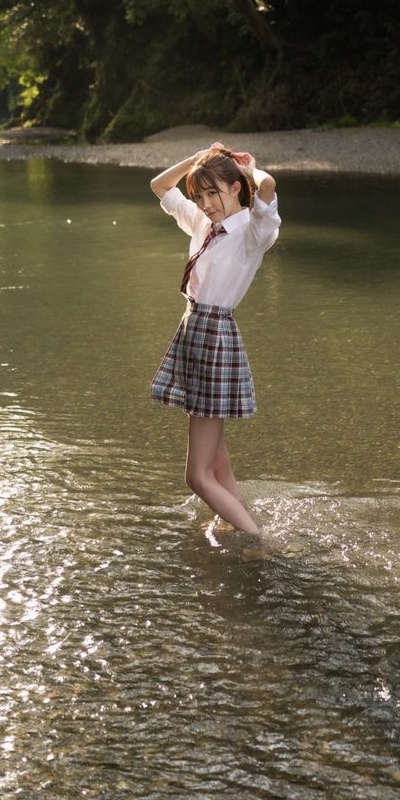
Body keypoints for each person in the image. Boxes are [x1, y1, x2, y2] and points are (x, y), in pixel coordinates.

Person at [150, 142, 280, 537]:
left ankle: (255, 539)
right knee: (217, 462)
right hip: (195, 332)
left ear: (236, 188)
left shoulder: (253, 233)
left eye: (214, 193)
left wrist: (248, 168)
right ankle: (234, 520)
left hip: (213, 337)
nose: (206, 204)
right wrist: (199, 158)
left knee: (196, 477)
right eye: (200, 195)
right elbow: (159, 185)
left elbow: (269, 186)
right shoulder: (204, 224)